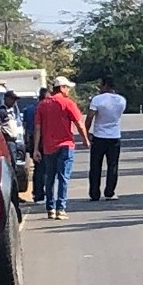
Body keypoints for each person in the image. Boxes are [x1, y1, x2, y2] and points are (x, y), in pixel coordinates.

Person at [33, 76, 90, 220]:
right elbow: (79, 123)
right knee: (64, 177)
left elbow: (37, 129)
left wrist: (35, 149)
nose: (69, 90)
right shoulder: (67, 103)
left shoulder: (42, 104)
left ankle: (50, 208)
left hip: (48, 146)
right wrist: (85, 140)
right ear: (62, 88)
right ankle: (61, 209)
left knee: (50, 177)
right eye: (68, 87)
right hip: (65, 145)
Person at [85, 76, 127, 201]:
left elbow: (90, 117)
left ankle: (94, 193)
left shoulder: (97, 99)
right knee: (112, 166)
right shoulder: (121, 100)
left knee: (95, 166)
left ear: (105, 86)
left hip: (99, 136)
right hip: (114, 136)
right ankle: (110, 192)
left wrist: (86, 132)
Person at [23, 88, 50, 204]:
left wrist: (28, 143)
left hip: (32, 141)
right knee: (46, 169)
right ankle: (43, 194)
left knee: (38, 169)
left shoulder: (28, 110)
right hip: (45, 141)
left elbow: (25, 126)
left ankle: (37, 194)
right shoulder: (46, 108)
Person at [0, 90, 21, 173]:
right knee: (11, 162)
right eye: (12, 99)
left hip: (14, 139)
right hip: (7, 140)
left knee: (15, 160)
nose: (14, 102)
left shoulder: (13, 111)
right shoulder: (1, 111)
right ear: (6, 99)